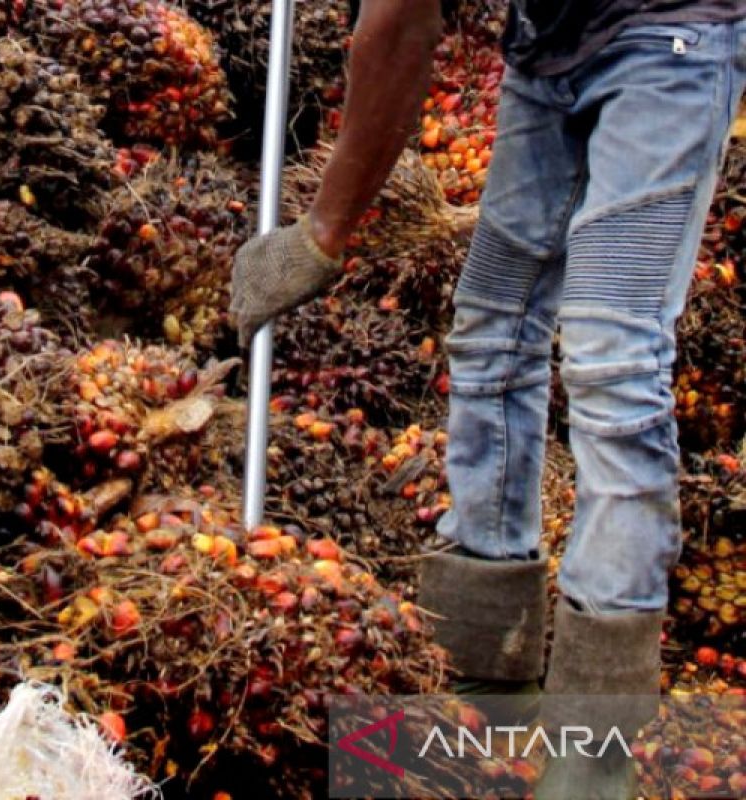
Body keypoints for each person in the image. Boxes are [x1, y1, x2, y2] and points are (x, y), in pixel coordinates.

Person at [230, 1, 746, 797]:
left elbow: (399, 27)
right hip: (551, 45)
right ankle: (487, 666)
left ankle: (594, 737)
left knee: (613, 355)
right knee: (492, 331)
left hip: (671, 36)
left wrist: (321, 235)